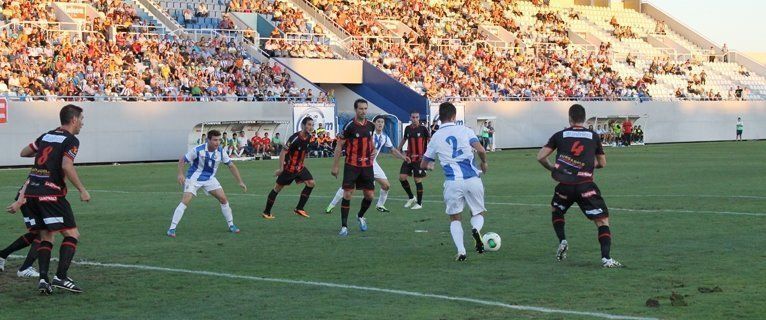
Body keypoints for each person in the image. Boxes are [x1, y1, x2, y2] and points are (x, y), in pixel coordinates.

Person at [536, 104, 623, 268]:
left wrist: (553, 168)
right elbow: (602, 163)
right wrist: (588, 166)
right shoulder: (593, 135)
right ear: (584, 118)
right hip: (585, 186)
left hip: (565, 185)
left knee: (557, 210)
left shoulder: (559, 135)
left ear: (570, 118)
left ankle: (562, 240)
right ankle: (606, 258)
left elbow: (540, 157)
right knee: (602, 221)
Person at [17, 104, 90, 293]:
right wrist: (82, 189)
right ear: (73, 119)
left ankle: (43, 279)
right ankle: (61, 277)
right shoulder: (71, 140)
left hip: (32, 192)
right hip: (51, 193)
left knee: (46, 235)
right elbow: (67, 165)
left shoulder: (47, 135)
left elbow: (24, 152)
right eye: (81, 119)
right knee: (72, 235)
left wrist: (45, 151)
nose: (82, 123)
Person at [421, 102, 489, 261]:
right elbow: (481, 149)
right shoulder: (466, 130)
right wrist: (484, 163)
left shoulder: (436, 137)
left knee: (455, 218)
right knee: (478, 213)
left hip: (452, 182)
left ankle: (461, 251)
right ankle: (476, 230)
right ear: (454, 116)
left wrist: (430, 166)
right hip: (472, 179)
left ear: (440, 117)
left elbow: (424, 164)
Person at [167, 130, 247, 238]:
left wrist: (240, 181)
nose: (217, 142)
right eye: (215, 140)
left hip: (209, 178)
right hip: (194, 178)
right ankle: (172, 228)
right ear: (208, 140)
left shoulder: (221, 151)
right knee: (185, 200)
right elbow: (182, 160)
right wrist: (180, 174)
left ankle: (231, 225)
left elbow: (231, 165)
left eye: (219, 140)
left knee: (223, 199)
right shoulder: (198, 150)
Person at [327, 115, 408, 214]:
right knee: (349, 187)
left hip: (373, 164)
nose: (380, 124)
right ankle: (331, 205)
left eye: (382, 122)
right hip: (360, 163)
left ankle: (380, 205)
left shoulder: (385, 137)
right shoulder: (367, 133)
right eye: (378, 121)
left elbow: (393, 150)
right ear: (373, 123)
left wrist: (403, 157)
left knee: (386, 185)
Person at [331, 99, 376, 236]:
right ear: (355, 110)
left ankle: (360, 215)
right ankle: (344, 227)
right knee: (347, 194)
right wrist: (335, 166)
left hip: (367, 165)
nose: (363, 111)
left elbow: (370, 140)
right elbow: (339, 146)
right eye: (361, 109)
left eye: (365, 109)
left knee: (369, 196)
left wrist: (372, 149)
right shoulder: (349, 126)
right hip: (352, 165)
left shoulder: (371, 126)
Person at [262, 117, 315, 219]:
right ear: (303, 125)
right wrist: (281, 169)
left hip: (299, 168)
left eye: (312, 125)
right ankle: (266, 212)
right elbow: (283, 152)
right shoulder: (294, 138)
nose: (311, 127)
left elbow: (303, 152)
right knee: (277, 189)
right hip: (289, 169)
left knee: (311, 183)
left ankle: (299, 208)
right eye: (309, 124)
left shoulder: (309, 137)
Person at [0, 180, 42, 279]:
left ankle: (2, 255)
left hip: (37, 198)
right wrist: (20, 200)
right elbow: (31, 179)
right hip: (29, 198)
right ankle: (25, 268)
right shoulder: (48, 165)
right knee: (43, 232)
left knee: (37, 232)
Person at [397, 111, 430, 210]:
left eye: (416, 117)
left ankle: (419, 203)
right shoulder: (407, 128)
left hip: (419, 159)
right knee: (402, 177)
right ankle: (411, 197)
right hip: (409, 157)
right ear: (410, 118)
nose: (415, 119)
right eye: (413, 117)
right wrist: (398, 149)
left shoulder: (423, 129)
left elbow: (430, 141)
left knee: (417, 180)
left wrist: (428, 156)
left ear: (419, 118)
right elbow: (404, 139)